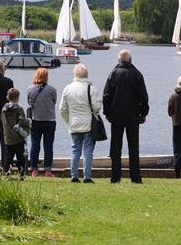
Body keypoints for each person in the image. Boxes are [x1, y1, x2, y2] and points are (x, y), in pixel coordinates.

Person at [103, 49, 149, 184]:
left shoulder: (113, 74)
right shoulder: (137, 74)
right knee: (134, 148)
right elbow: (143, 97)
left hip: (116, 116)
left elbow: (106, 96)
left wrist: (107, 113)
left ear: (119, 60)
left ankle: (115, 176)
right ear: (130, 60)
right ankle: (135, 176)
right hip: (133, 116)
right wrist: (143, 113)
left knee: (115, 148)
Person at [60, 63, 102, 184]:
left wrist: (69, 121)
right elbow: (97, 107)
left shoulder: (68, 88)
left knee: (75, 150)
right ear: (86, 74)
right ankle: (87, 176)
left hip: (74, 123)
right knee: (88, 150)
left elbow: (62, 109)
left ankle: (74, 175)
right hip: (88, 123)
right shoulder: (91, 88)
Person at [26, 68, 58, 177]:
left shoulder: (30, 89)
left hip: (35, 120)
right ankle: (48, 170)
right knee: (48, 146)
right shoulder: (52, 90)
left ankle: (34, 169)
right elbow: (54, 102)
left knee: (35, 145)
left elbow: (29, 102)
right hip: (49, 120)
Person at [1, 87, 30, 178]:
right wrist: (27, 122)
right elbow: (22, 120)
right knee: (20, 157)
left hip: (8, 137)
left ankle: (6, 173)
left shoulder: (4, 110)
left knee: (8, 156)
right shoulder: (19, 109)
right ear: (17, 98)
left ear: (7, 97)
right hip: (18, 138)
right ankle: (21, 174)